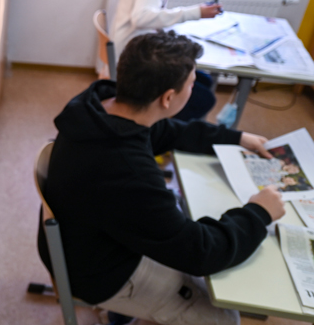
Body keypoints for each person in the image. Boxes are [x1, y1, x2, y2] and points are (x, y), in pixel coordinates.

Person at [37, 31, 286, 325]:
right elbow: (199, 253)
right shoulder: (126, 170)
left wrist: (236, 137)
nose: (195, 89)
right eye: (192, 84)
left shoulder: (100, 105)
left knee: (192, 223)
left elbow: (164, 131)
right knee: (223, 317)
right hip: (103, 273)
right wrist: (259, 213)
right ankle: (122, 309)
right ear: (168, 97)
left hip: (89, 240)